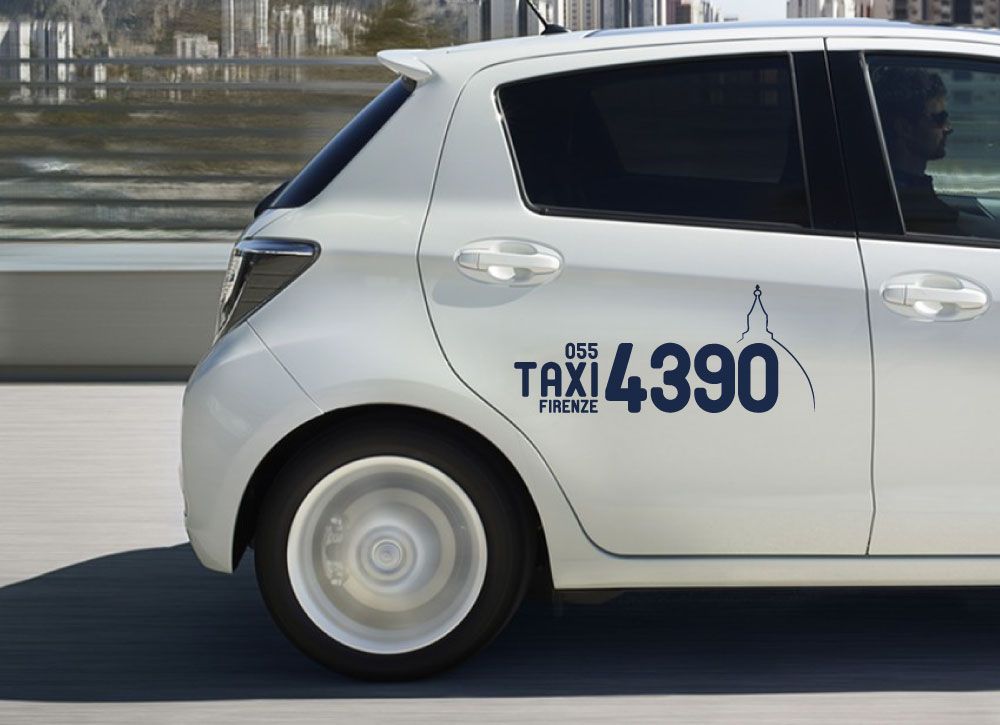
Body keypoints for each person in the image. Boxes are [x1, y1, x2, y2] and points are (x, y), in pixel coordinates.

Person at [872, 66, 959, 235]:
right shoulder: (904, 199)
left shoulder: (900, 188)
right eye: (939, 119)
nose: (948, 128)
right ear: (904, 128)